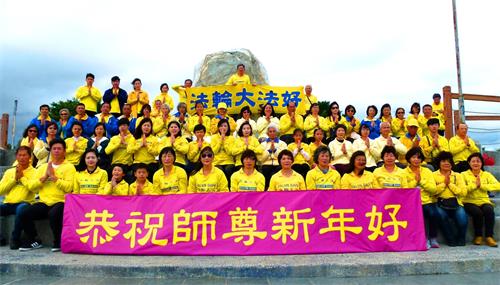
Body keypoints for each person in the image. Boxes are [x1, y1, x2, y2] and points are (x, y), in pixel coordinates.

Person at [19, 139, 76, 251]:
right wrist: (44, 178)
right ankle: (34, 240)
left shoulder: (70, 167)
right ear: (50, 151)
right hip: (44, 202)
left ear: (64, 151)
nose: (56, 151)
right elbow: (32, 186)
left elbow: (70, 187)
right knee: (24, 212)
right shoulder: (42, 167)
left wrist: (55, 178)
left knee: (54, 213)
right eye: (54, 148)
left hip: (61, 201)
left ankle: (58, 242)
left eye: (59, 149)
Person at [0, 146, 36, 249]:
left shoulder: (35, 172)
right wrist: (15, 179)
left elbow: (34, 189)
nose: (22, 157)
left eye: (24, 155)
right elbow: (1, 190)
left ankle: (15, 239)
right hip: (8, 203)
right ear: (16, 157)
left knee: (21, 210)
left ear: (30, 157)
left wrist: (22, 178)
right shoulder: (9, 172)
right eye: (19, 155)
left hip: (25, 203)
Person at [404, 147, 440, 249]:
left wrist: (421, 182)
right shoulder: (404, 172)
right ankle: (423, 239)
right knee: (419, 214)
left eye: (419, 158)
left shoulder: (427, 171)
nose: (416, 160)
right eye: (414, 157)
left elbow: (433, 189)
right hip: (410, 201)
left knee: (433, 213)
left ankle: (432, 238)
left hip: (426, 200)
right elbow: (404, 189)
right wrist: (415, 182)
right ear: (409, 159)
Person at [461, 153, 500, 247]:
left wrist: (482, 186)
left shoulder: (486, 174)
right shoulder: (463, 175)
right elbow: (462, 189)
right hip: (469, 201)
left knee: (489, 210)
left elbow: (497, 185)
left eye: (478, 161)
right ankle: (478, 236)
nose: (476, 163)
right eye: (473, 161)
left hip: (484, 200)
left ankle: (489, 237)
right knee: (477, 213)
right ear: (469, 163)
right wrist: (474, 186)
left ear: (481, 163)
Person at [433, 151, 468, 246]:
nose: (446, 163)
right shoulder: (433, 175)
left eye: (449, 161)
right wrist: (444, 184)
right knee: (441, 216)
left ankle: (461, 238)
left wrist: (450, 184)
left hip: (455, 202)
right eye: (443, 161)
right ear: (439, 163)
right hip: (439, 202)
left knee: (463, 219)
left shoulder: (458, 176)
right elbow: (433, 192)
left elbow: (463, 192)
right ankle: (450, 238)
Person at [259, 123, 287, 190]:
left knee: (278, 169)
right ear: (267, 133)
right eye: (270, 131)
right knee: (266, 169)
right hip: (266, 164)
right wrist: (269, 151)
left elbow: (284, 157)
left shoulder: (282, 143)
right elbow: (261, 159)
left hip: (278, 164)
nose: (272, 133)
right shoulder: (263, 144)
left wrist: (275, 150)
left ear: (277, 133)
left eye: (274, 131)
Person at [211, 119, 235, 184]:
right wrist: (220, 140)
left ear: (228, 128)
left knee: (228, 169)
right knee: (219, 171)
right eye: (221, 126)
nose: (223, 128)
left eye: (225, 126)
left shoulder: (231, 138)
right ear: (218, 127)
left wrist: (224, 142)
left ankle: (229, 188)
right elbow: (214, 152)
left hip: (229, 161)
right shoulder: (214, 137)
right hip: (217, 162)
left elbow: (230, 152)